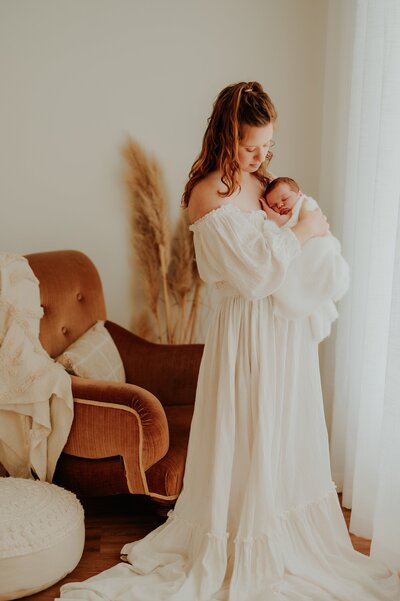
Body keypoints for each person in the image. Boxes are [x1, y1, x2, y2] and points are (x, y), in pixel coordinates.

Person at [58, 82, 400, 600]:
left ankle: (284, 531)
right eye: (251, 147)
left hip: (281, 334)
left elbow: (283, 251)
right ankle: (241, 537)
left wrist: (303, 229)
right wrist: (303, 232)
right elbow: (256, 275)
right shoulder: (207, 194)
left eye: (268, 146)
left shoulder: (262, 185)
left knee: (280, 432)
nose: (262, 157)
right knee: (247, 431)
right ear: (225, 137)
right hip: (246, 336)